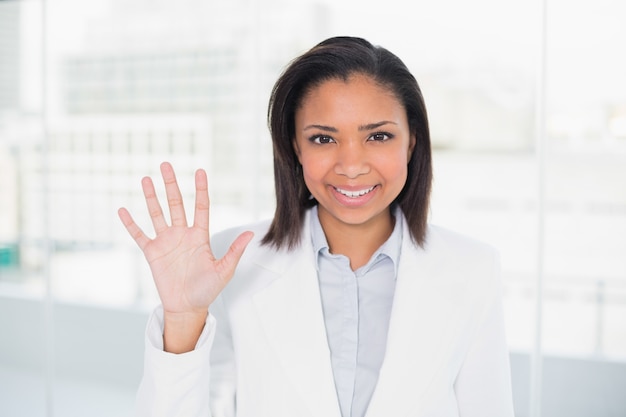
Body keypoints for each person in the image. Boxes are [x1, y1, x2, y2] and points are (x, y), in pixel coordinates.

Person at [118, 36, 515, 417]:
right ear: (295, 146)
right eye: (324, 139)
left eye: (378, 136)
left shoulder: (473, 269)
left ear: (411, 141)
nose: (351, 166)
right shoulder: (228, 265)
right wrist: (184, 319)